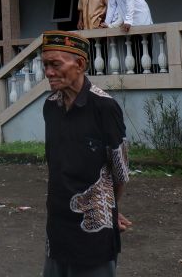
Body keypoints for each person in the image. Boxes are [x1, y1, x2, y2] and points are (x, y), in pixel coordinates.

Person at [40, 31, 131, 277]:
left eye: (55, 64)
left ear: (80, 64)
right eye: (45, 65)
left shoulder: (104, 107)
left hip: (94, 227)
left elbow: (120, 172)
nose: (48, 72)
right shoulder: (50, 106)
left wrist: (109, 208)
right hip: (57, 223)